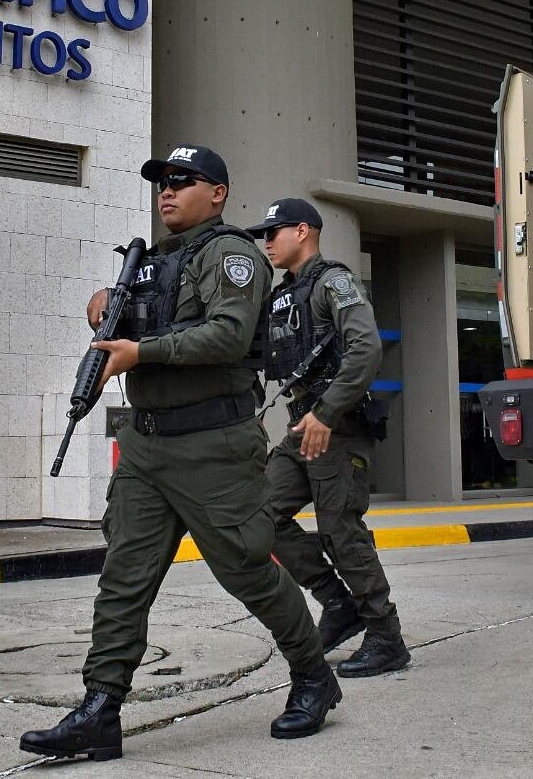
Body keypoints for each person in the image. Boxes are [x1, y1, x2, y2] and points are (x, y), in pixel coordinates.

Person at [20, 147, 341, 763]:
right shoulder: (146, 266)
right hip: (146, 445)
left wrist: (141, 353)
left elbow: (225, 334)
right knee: (123, 578)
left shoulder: (234, 256)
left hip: (212, 445)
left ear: (217, 192)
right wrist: (103, 313)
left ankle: (312, 676)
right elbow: (136, 325)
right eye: (161, 183)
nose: (166, 192)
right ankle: (99, 710)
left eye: (181, 181)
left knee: (247, 568)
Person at [247, 198, 410, 678]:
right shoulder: (282, 295)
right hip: (303, 427)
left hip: (338, 427)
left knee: (341, 531)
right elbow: (261, 359)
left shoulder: (333, 282)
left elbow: (366, 348)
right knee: (261, 514)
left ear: (303, 231)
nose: (267, 241)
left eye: (274, 231)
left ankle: (386, 636)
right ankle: (338, 603)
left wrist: (327, 411)